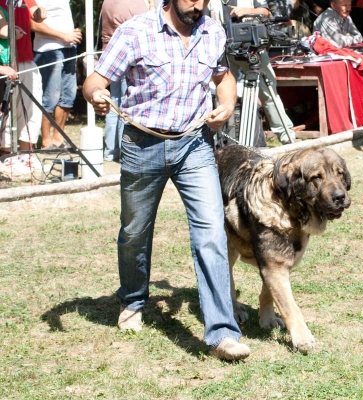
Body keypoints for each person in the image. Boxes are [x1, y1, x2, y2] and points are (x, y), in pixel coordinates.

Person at [83, 0, 250, 361]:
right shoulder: (135, 31)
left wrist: (228, 104)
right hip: (142, 145)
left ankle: (222, 333)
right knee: (134, 232)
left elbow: (223, 77)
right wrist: (97, 96)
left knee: (211, 232)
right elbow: (94, 82)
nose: (198, 5)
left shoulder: (212, 31)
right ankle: (132, 299)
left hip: (195, 144)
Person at [208, 0, 296, 144]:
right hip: (223, 52)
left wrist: (248, 11)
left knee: (268, 94)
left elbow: (267, 13)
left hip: (253, 51)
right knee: (222, 94)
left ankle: (286, 135)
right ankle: (220, 139)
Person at [100, 0, 155, 162]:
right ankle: (125, 151)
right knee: (126, 105)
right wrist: (151, 6)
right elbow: (149, 26)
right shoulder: (134, 3)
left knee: (113, 104)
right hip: (128, 60)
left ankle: (110, 151)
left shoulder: (107, 2)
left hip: (108, 56)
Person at [30, 0, 82, 150]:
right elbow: (33, 24)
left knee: (67, 96)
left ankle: (58, 138)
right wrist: (63, 35)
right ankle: (46, 141)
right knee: (49, 97)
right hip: (49, 50)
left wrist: (72, 33)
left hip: (69, 48)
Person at [0, 0, 46, 156]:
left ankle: (27, 155)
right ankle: (6, 155)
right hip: (6, 63)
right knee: (6, 110)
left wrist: (40, 12)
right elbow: (3, 30)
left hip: (26, 59)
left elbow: (35, 14)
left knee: (31, 108)